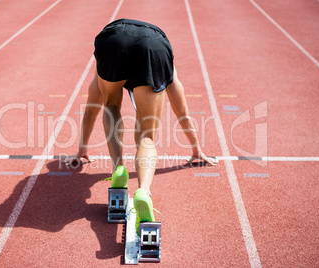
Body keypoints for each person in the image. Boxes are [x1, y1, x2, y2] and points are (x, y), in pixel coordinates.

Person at [65, 19, 217, 233]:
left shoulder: (103, 67)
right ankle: (143, 192)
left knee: (111, 105)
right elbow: (182, 113)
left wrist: (82, 149)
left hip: (113, 39)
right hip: (153, 46)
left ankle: (118, 167)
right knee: (147, 135)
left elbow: (91, 109)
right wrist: (196, 149)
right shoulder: (168, 66)